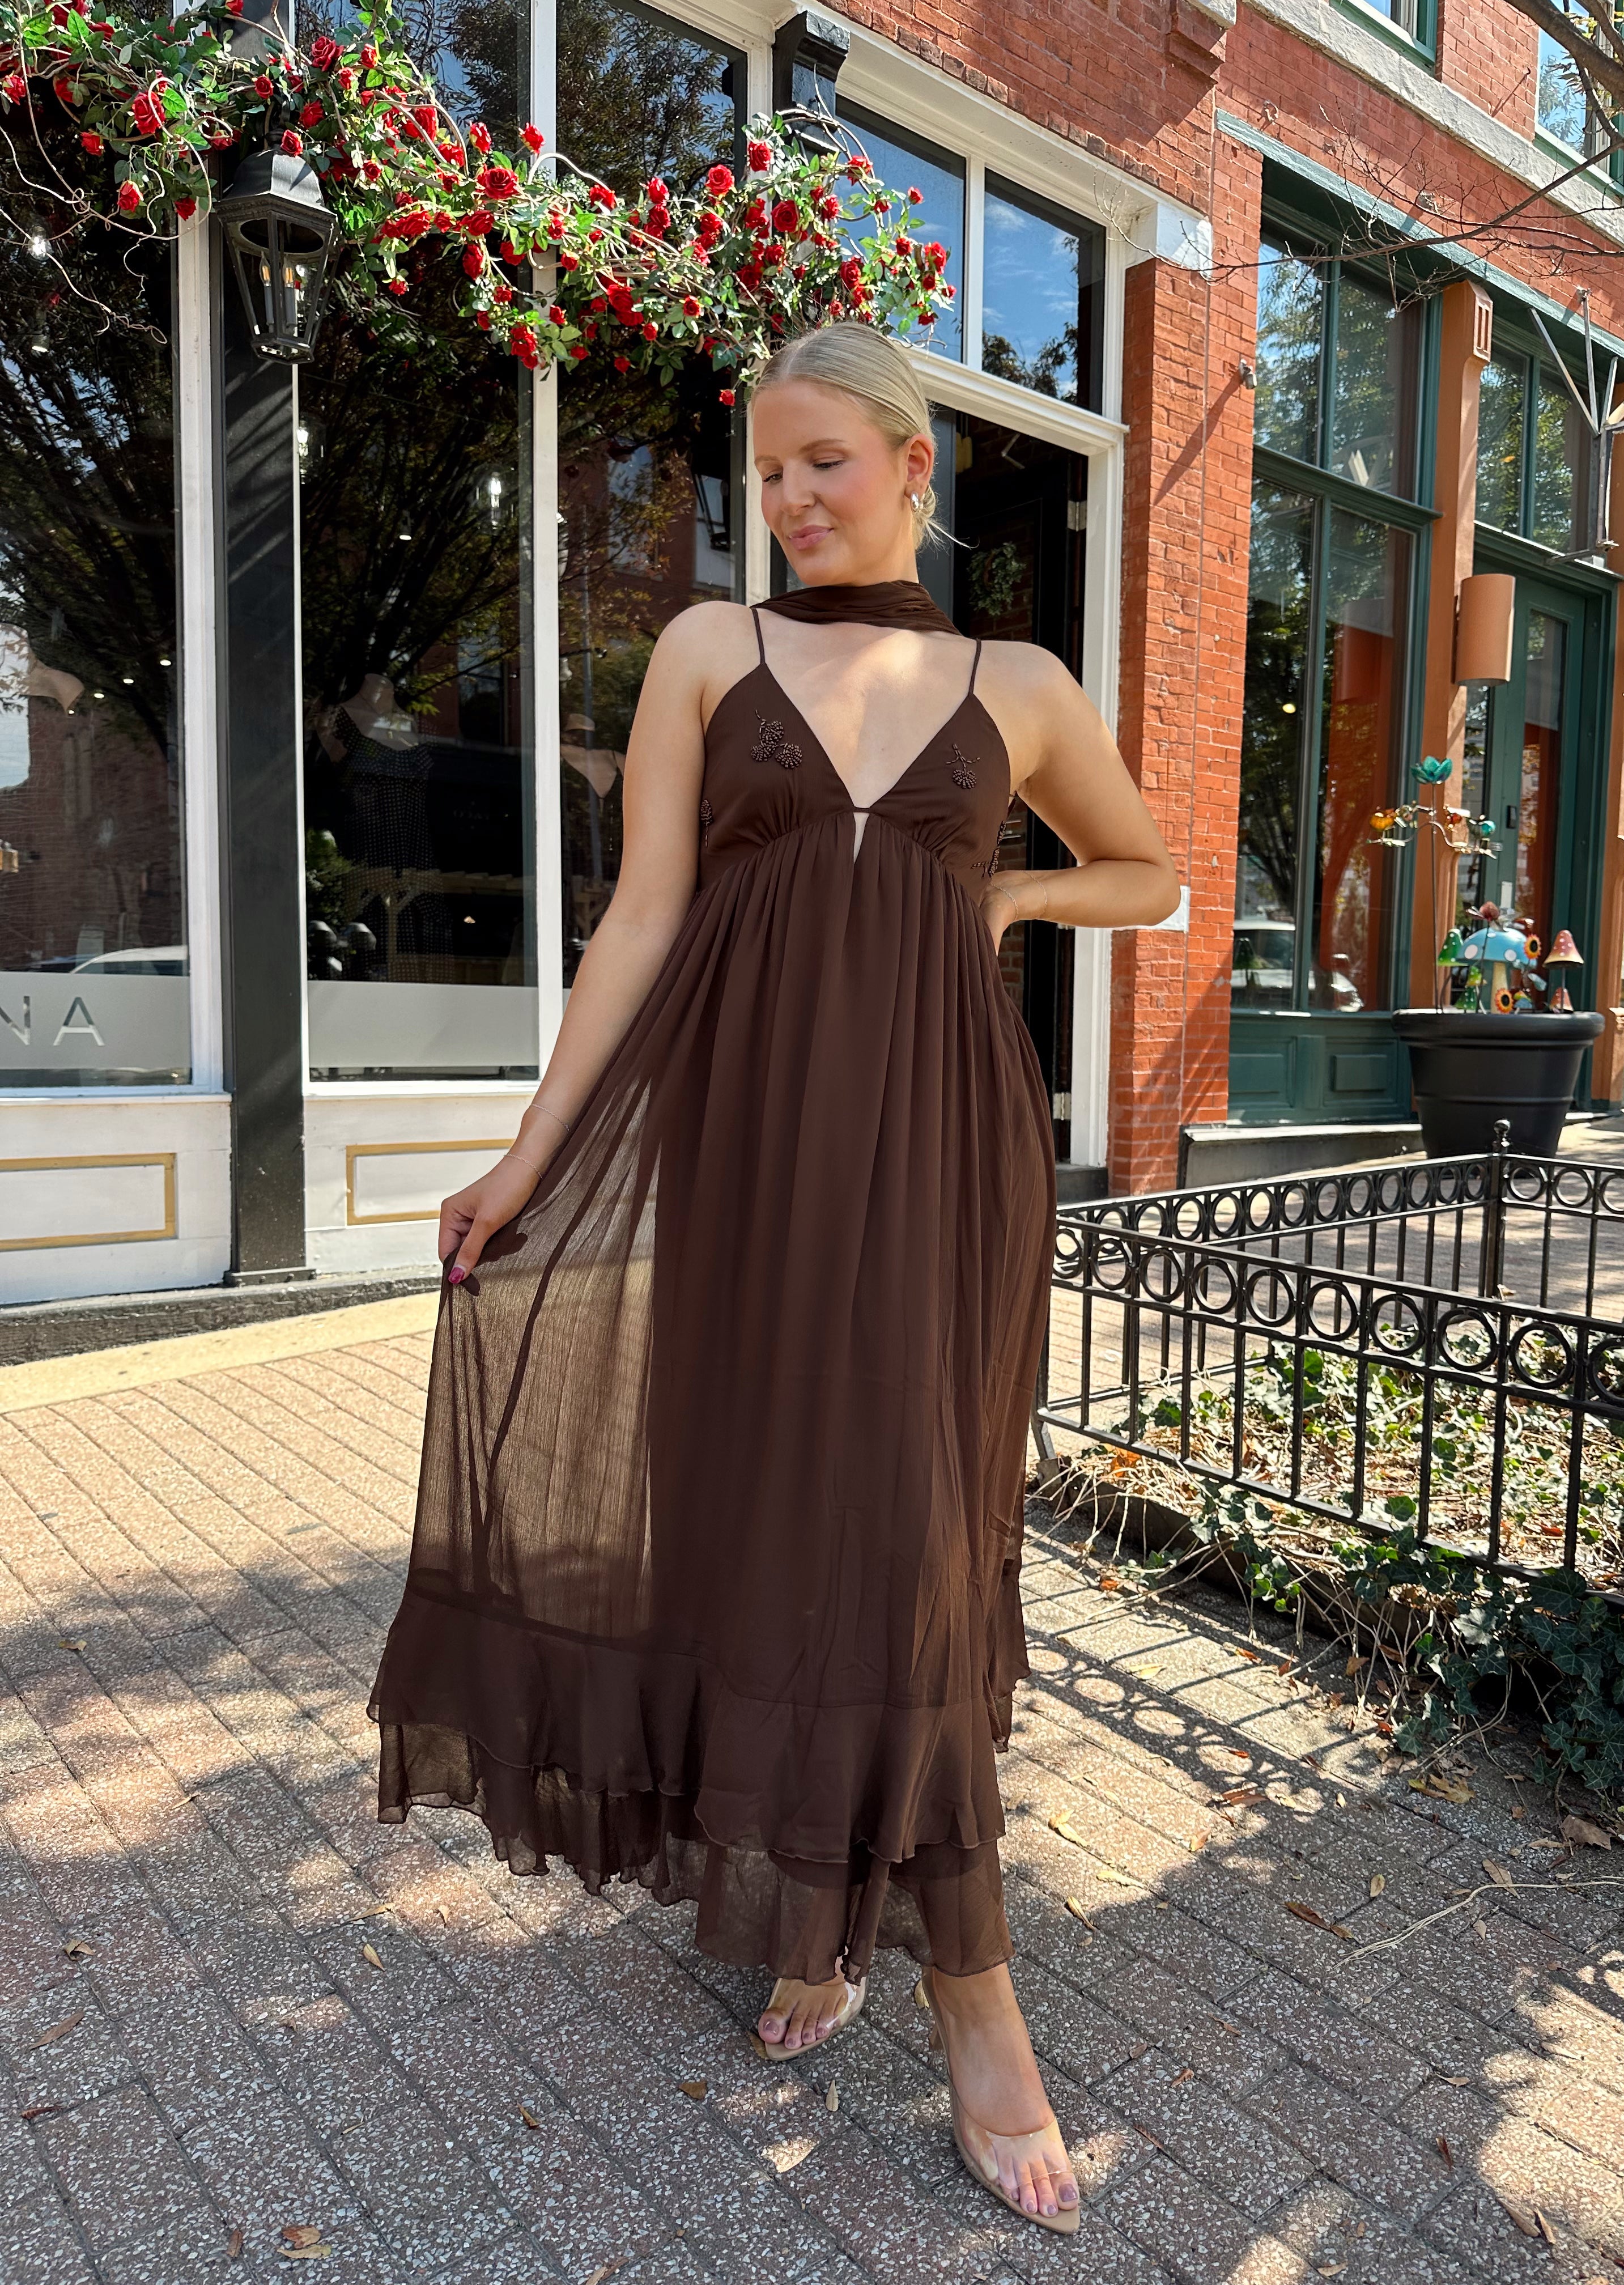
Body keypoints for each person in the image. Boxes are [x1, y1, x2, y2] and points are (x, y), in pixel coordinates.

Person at [368, 318, 1178, 2234]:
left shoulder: (1024, 679)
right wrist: (529, 1155)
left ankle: (976, 2004)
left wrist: (1013, 891)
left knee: (901, 1532)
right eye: (772, 469)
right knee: (759, 1523)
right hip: (744, 1156)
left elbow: (1148, 871)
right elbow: (642, 913)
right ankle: (812, 1919)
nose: (794, 498)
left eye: (831, 460)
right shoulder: (707, 652)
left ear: (914, 464)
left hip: (945, 1168)